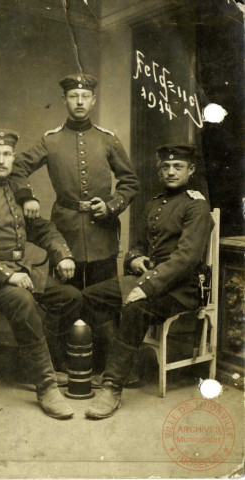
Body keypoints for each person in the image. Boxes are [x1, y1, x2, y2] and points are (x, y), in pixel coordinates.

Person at [10, 73, 140, 373]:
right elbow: (18, 168)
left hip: (102, 235)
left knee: (104, 302)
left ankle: (105, 366)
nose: (79, 101)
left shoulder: (107, 139)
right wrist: (27, 196)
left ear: (93, 100)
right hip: (63, 234)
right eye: (73, 96)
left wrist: (110, 205)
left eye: (85, 96)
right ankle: (60, 365)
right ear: (65, 100)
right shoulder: (51, 140)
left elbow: (130, 182)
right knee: (65, 301)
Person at [0, 128, 83, 420]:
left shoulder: (18, 194)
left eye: (7, 154)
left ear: (13, 157)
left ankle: (36, 365)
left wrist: (63, 254)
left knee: (70, 297)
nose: (1, 160)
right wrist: (7, 276)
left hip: (22, 274)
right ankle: (47, 385)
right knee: (23, 301)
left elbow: (43, 229)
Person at [82, 144, 214, 419]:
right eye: (166, 167)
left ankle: (112, 386)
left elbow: (186, 259)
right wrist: (134, 260)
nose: (171, 172)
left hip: (183, 287)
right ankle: (125, 369)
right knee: (91, 296)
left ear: (191, 170)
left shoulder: (197, 205)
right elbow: (139, 244)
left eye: (178, 167)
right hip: (152, 278)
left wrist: (145, 287)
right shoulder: (154, 203)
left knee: (135, 308)